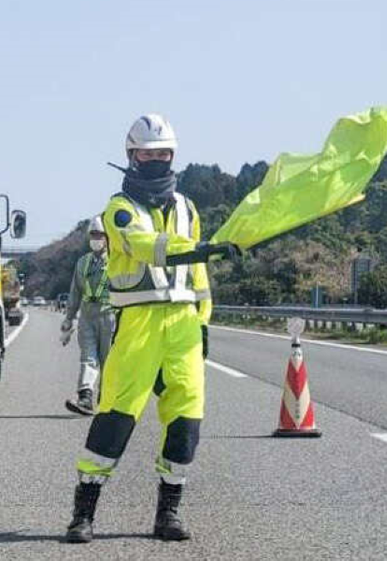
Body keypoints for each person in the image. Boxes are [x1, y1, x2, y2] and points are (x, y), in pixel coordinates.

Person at [65, 114, 237, 543]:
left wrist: (203, 321)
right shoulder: (119, 208)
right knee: (117, 416)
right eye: (148, 153)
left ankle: (169, 513)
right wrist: (201, 249)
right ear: (132, 156)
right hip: (138, 323)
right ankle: (83, 512)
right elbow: (147, 246)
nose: (157, 159)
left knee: (186, 420)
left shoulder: (188, 208)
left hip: (183, 325)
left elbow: (199, 276)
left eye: (164, 153)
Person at [60, 215, 115, 416]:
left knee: (109, 360)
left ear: (108, 237)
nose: (96, 238)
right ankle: (85, 397)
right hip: (87, 316)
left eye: (100, 235)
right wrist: (69, 318)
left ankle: (107, 399)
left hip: (111, 315)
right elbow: (75, 292)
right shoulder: (82, 263)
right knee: (88, 357)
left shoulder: (117, 260)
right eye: (93, 235)